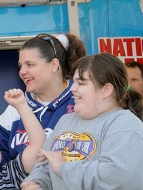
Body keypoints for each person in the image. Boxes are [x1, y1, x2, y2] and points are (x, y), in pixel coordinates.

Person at [21, 53, 143, 189]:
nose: (73, 88)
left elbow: (119, 178)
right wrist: (36, 183)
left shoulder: (125, 124)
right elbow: (44, 166)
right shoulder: (66, 120)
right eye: (74, 82)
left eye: (81, 83)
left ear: (106, 90)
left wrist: (64, 167)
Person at [0, 33, 86, 163]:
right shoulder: (14, 109)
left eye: (30, 64)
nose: (22, 71)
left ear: (54, 65)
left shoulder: (80, 101)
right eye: (21, 66)